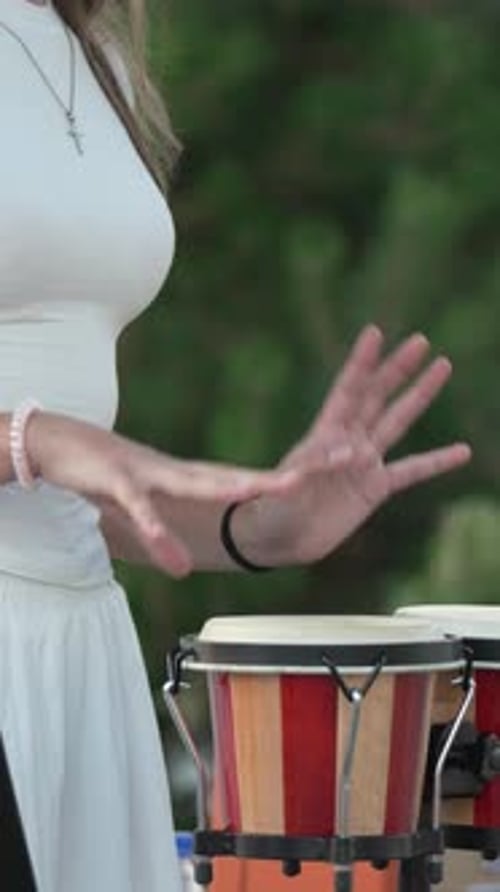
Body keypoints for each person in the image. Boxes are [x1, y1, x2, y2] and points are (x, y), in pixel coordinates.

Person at [0, 0, 471, 889]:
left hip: (82, 644)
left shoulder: (87, 42)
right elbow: (47, 446)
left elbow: (80, 479)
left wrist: (258, 526)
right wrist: (34, 440)